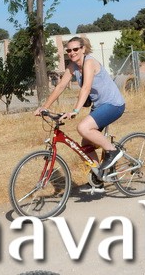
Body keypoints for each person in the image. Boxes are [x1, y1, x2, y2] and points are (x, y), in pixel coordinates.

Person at [35, 36, 126, 189]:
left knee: (83, 128)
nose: (72, 52)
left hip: (113, 104)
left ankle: (113, 151)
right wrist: (44, 106)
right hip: (99, 106)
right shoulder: (72, 66)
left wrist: (75, 110)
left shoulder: (89, 63)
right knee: (85, 145)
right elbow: (60, 86)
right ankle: (98, 180)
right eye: (69, 50)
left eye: (75, 49)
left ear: (83, 49)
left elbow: (86, 88)